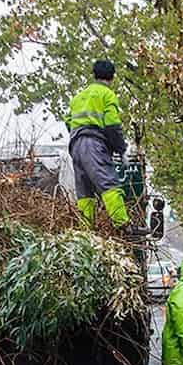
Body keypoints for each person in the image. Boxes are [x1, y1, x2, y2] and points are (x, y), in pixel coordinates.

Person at [65, 60, 148, 238]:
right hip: (94, 144)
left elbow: (68, 121)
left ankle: (86, 231)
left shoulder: (78, 97)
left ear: (93, 74)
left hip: (75, 146)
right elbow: (112, 126)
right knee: (109, 184)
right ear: (112, 77)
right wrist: (121, 149)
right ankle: (124, 225)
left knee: (85, 191)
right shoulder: (107, 94)